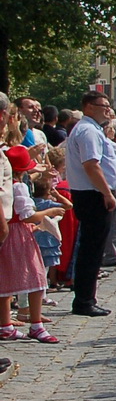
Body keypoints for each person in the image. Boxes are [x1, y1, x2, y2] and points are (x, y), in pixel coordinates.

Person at [64, 91, 116, 316]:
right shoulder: (87, 130)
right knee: (92, 249)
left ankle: (87, 297)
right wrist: (107, 192)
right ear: (89, 107)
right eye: (103, 105)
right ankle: (84, 300)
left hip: (92, 193)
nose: (107, 109)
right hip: (93, 195)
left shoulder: (91, 129)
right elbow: (91, 165)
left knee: (93, 248)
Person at [0, 146, 59, 344]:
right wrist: (50, 213)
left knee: (6, 279)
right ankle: (36, 324)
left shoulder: (9, 185)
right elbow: (28, 216)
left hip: (7, 231)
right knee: (35, 277)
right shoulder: (19, 187)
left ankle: (5, 324)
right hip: (19, 233)